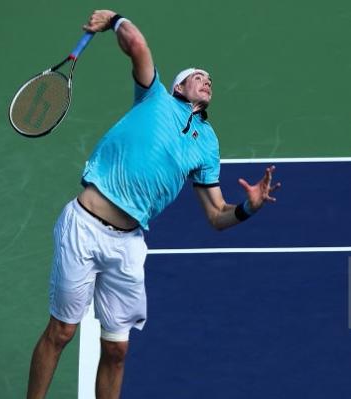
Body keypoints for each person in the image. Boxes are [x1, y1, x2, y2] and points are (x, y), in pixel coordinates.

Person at [26, 9, 281, 399]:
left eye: (210, 80)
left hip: (127, 245)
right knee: (61, 332)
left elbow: (216, 215)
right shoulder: (153, 97)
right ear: (179, 87)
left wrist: (250, 207)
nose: (206, 80)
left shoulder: (208, 144)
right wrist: (115, 19)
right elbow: (138, 46)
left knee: (117, 349)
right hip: (85, 226)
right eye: (198, 76)